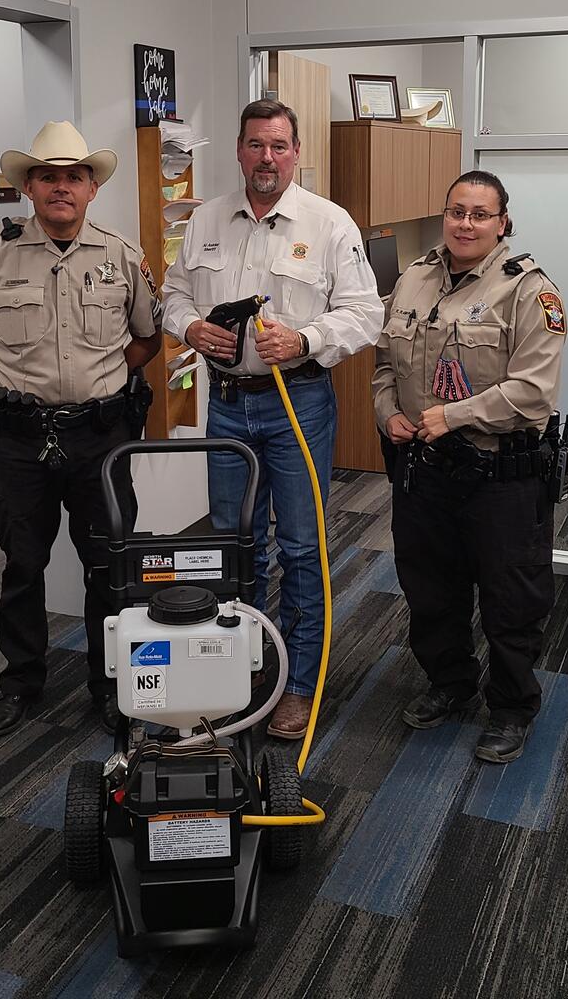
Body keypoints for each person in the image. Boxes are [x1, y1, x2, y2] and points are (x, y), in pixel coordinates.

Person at [162, 99, 384, 739]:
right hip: (227, 404)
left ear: (295, 152)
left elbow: (366, 313)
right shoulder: (206, 219)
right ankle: (241, 673)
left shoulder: (329, 222)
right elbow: (174, 295)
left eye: (280, 146)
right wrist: (191, 326)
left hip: (299, 402)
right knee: (234, 549)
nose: (267, 157)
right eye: (256, 144)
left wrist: (308, 340)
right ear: (238, 149)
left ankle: (297, 685)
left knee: (301, 548)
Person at [0, 120, 162, 737]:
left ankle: (109, 686)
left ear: (92, 189)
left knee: (109, 567)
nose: (61, 187)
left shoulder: (122, 256)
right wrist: (4, 378)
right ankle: (21, 684)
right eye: (48, 176)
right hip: (20, 441)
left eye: (74, 176)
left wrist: (104, 380)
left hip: (101, 438)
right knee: (22, 565)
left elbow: (148, 338)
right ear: (29, 187)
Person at [372, 169, 566, 764]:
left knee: (510, 597)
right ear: (444, 215)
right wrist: (387, 414)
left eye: (481, 214)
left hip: (500, 475)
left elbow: (534, 393)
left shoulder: (530, 291)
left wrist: (453, 416)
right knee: (430, 585)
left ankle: (510, 707)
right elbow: (383, 365)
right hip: (423, 469)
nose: (466, 223)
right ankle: (450, 682)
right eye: (457, 211)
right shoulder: (412, 279)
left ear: (503, 222)